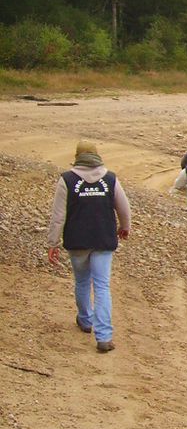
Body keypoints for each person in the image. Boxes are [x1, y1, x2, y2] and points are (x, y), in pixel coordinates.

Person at [47, 140, 131, 353]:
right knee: (102, 286)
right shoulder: (110, 179)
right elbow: (123, 207)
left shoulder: (67, 179)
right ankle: (104, 337)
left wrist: (53, 243)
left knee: (82, 281)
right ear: (96, 156)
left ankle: (85, 320)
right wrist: (125, 227)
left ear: (77, 156)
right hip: (103, 239)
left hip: (77, 241)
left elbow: (58, 216)